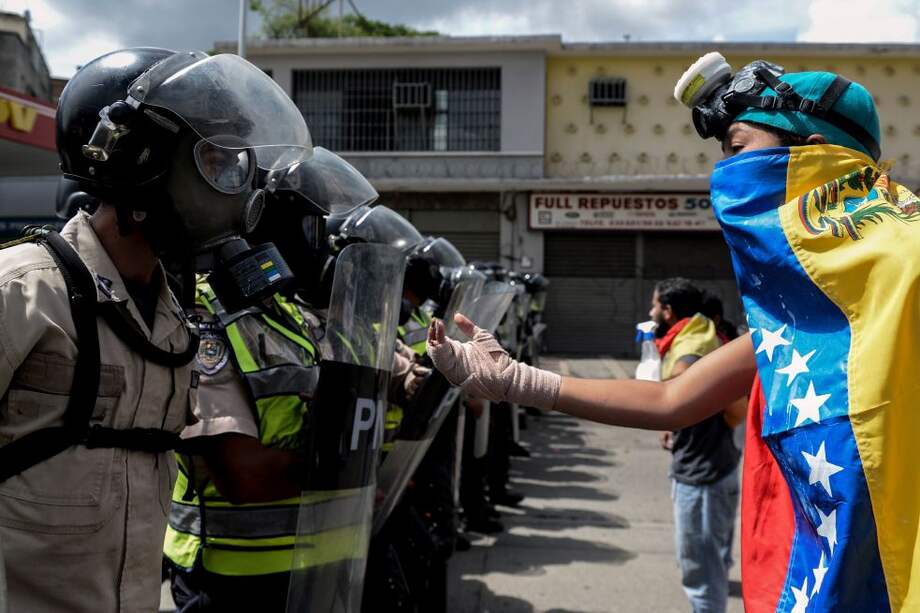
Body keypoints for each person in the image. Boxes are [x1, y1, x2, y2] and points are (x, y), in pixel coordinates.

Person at [427, 54, 919, 612]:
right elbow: (672, 400)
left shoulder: (912, 258)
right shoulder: (800, 316)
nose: (724, 174)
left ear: (811, 153)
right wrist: (511, 378)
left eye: (736, 147)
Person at [0, 47, 311, 612]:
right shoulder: (23, 291)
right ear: (133, 156)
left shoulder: (172, 321)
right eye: (215, 159)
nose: (236, 180)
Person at [163, 154, 421, 612]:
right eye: (314, 229)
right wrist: (347, 465)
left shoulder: (292, 318)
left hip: (323, 566)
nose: (323, 246)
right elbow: (244, 477)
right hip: (236, 579)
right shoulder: (206, 318)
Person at [651, 278, 740, 613]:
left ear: (669, 312)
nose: (651, 311)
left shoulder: (690, 346)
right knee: (713, 564)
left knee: (701, 575)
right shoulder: (701, 335)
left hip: (703, 476)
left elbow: (677, 390)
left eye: (655, 305)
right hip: (716, 467)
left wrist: (665, 404)